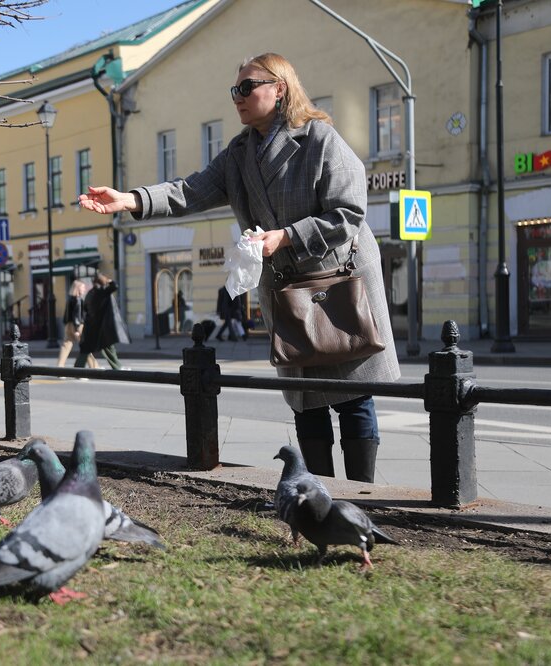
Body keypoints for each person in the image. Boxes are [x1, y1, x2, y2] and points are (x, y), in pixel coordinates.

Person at [77, 53, 399, 483]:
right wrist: (130, 199)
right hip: (288, 295)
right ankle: (319, 498)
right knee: (306, 401)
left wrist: (285, 236)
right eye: (235, 90)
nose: (238, 98)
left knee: (353, 397)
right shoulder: (239, 154)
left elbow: (349, 213)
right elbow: (188, 191)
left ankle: (361, 499)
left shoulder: (319, 138)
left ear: (279, 88)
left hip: (338, 288)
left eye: (247, 88)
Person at [75, 273, 130, 370]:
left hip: (90, 325)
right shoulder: (103, 291)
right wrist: (110, 281)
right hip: (101, 326)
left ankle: (76, 370)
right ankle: (117, 367)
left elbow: (85, 308)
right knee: (108, 346)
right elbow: (115, 286)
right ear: (103, 281)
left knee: (86, 349)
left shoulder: (90, 293)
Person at [57, 280, 98, 368]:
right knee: (86, 346)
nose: (84, 289)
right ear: (78, 288)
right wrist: (77, 329)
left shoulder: (70, 299)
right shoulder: (78, 300)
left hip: (68, 325)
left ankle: (60, 367)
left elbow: (67, 315)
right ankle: (94, 367)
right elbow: (77, 315)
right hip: (78, 325)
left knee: (65, 346)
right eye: (83, 287)